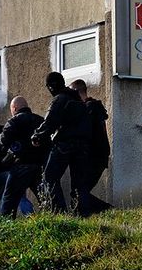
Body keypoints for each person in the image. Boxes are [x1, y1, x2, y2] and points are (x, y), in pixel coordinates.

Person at [32, 72, 92, 215]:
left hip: (64, 145)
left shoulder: (60, 99)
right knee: (79, 184)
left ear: (51, 86)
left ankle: (59, 212)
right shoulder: (79, 102)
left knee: (49, 177)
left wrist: (37, 136)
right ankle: (82, 214)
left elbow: (49, 122)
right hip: (82, 147)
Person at [0, 97, 48, 218]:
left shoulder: (14, 121)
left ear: (14, 108)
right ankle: (51, 222)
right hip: (39, 166)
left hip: (20, 167)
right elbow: (48, 144)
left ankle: (5, 229)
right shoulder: (40, 120)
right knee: (45, 199)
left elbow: (2, 145)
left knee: (8, 203)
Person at [69, 79, 113, 214]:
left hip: (92, 156)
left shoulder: (88, 109)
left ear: (76, 92)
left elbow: (84, 133)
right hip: (98, 156)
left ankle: (107, 211)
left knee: (79, 191)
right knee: (79, 192)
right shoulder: (94, 107)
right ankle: (86, 215)